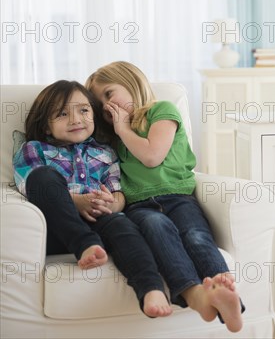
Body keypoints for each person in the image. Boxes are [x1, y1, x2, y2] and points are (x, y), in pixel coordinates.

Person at [86, 62, 244, 332]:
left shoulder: (162, 111)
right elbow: (121, 186)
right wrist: (113, 202)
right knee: (157, 227)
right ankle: (198, 296)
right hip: (139, 206)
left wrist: (124, 129)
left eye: (109, 94)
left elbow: (151, 156)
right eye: (101, 104)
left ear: (132, 82)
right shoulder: (112, 139)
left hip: (178, 197)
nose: (107, 107)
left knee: (195, 235)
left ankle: (224, 291)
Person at [13, 80, 172, 318]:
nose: (76, 119)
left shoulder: (105, 152)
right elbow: (30, 186)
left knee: (124, 226)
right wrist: (76, 201)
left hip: (100, 219)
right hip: (57, 227)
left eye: (84, 110)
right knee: (42, 176)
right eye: (62, 113)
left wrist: (113, 202)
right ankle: (84, 245)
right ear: (46, 126)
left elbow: (117, 190)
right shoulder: (34, 149)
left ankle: (151, 289)